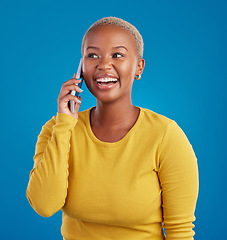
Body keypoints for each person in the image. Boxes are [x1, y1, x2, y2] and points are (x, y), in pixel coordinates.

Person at [26, 17, 199, 240]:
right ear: (81, 68)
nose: (104, 64)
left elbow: (181, 233)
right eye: (92, 55)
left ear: (139, 67)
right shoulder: (57, 128)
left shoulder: (166, 136)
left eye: (117, 55)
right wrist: (64, 124)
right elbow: (44, 205)